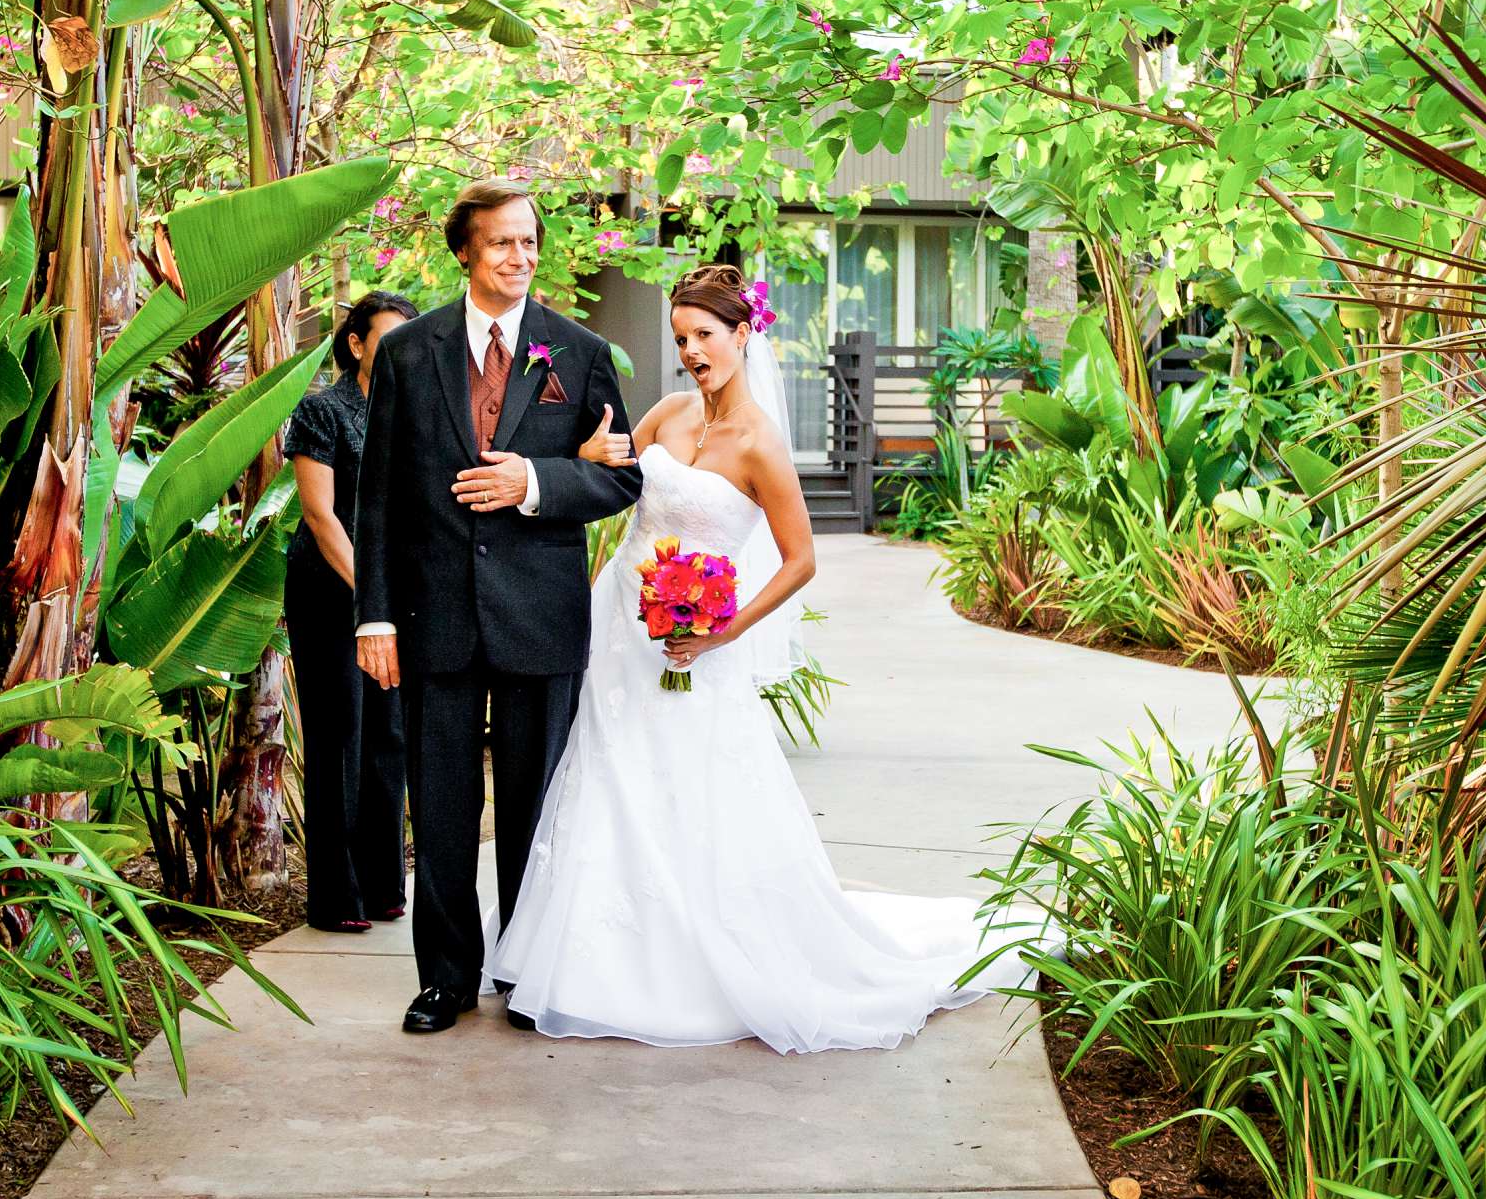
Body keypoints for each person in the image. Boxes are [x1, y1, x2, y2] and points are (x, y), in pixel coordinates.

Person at [484, 264, 1026, 1048]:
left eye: (706, 335)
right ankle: (578, 962)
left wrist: (722, 629)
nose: (692, 351)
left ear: (743, 335)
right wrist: (596, 453)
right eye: (680, 339)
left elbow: (800, 559)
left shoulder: (762, 444)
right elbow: (610, 476)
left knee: (684, 785)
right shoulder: (669, 413)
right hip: (618, 627)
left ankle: (680, 964)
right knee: (602, 773)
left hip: (699, 641)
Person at [353, 178, 642, 1035]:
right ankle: (446, 978)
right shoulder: (409, 353)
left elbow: (621, 474)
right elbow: (377, 498)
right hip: (433, 613)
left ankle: (526, 968)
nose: (520, 258)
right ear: (465, 253)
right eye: (502, 244)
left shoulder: (579, 352)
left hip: (540, 613)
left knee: (533, 805)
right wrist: (375, 615)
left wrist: (535, 481)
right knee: (441, 805)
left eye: (529, 243)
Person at [284, 291, 417, 934]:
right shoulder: (322, 409)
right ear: (357, 344)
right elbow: (320, 515)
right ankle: (335, 898)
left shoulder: (415, 414)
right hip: (329, 589)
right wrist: (373, 597)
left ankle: (384, 885)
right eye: (383, 340)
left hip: (392, 596)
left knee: (389, 734)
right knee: (342, 734)